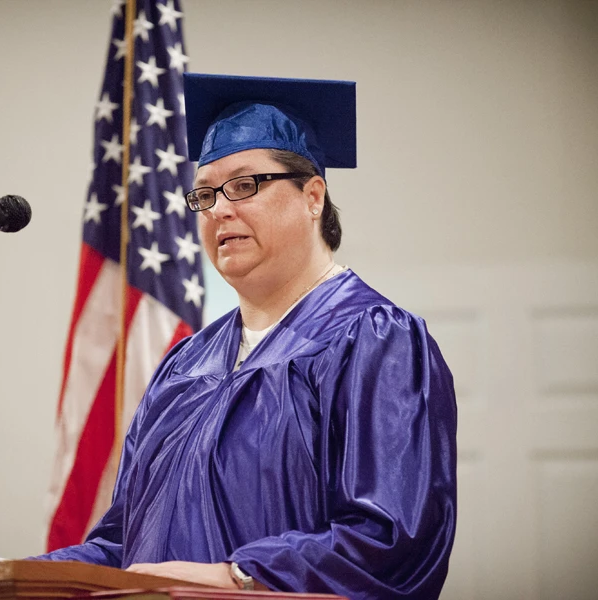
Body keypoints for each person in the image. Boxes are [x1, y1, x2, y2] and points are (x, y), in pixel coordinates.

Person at [33, 73, 457, 600]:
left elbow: (393, 539)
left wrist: (240, 575)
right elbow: (124, 545)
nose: (218, 210)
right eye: (206, 193)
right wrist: (18, 574)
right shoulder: (184, 365)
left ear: (313, 196)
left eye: (243, 185)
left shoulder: (374, 341)